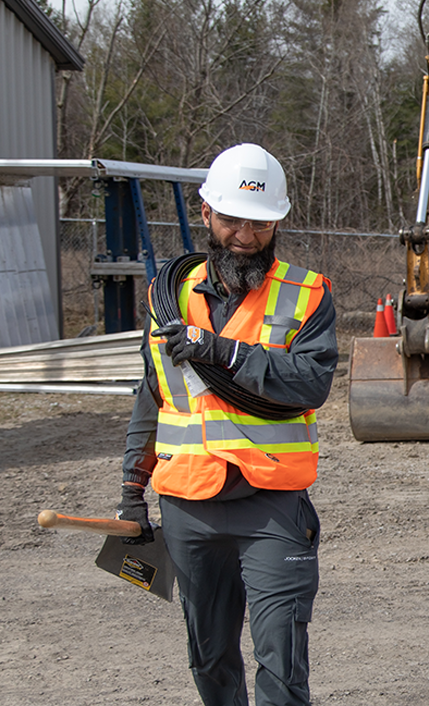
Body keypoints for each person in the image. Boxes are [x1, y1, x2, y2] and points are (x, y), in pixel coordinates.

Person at [115, 143, 337, 706]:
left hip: (270, 505)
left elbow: (311, 383)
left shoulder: (307, 294)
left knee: (281, 663)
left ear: (278, 221)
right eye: (233, 218)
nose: (246, 233)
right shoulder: (168, 299)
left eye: (261, 222)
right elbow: (152, 397)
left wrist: (222, 352)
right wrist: (130, 493)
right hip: (187, 505)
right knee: (210, 659)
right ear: (206, 214)